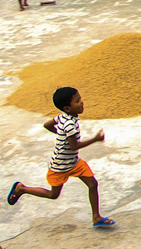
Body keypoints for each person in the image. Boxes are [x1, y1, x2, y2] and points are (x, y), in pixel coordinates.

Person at [6, 87, 115, 227]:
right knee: (53, 195)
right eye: (77, 101)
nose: (82, 102)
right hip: (60, 166)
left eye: (80, 98)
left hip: (74, 163)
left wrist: (60, 134)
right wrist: (95, 139)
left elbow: (47, 125)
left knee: (93, 184)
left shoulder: (64, 117)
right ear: (67, 108)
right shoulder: (69, 125)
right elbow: (74, 146)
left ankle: (96, 217)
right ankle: (22, 189)